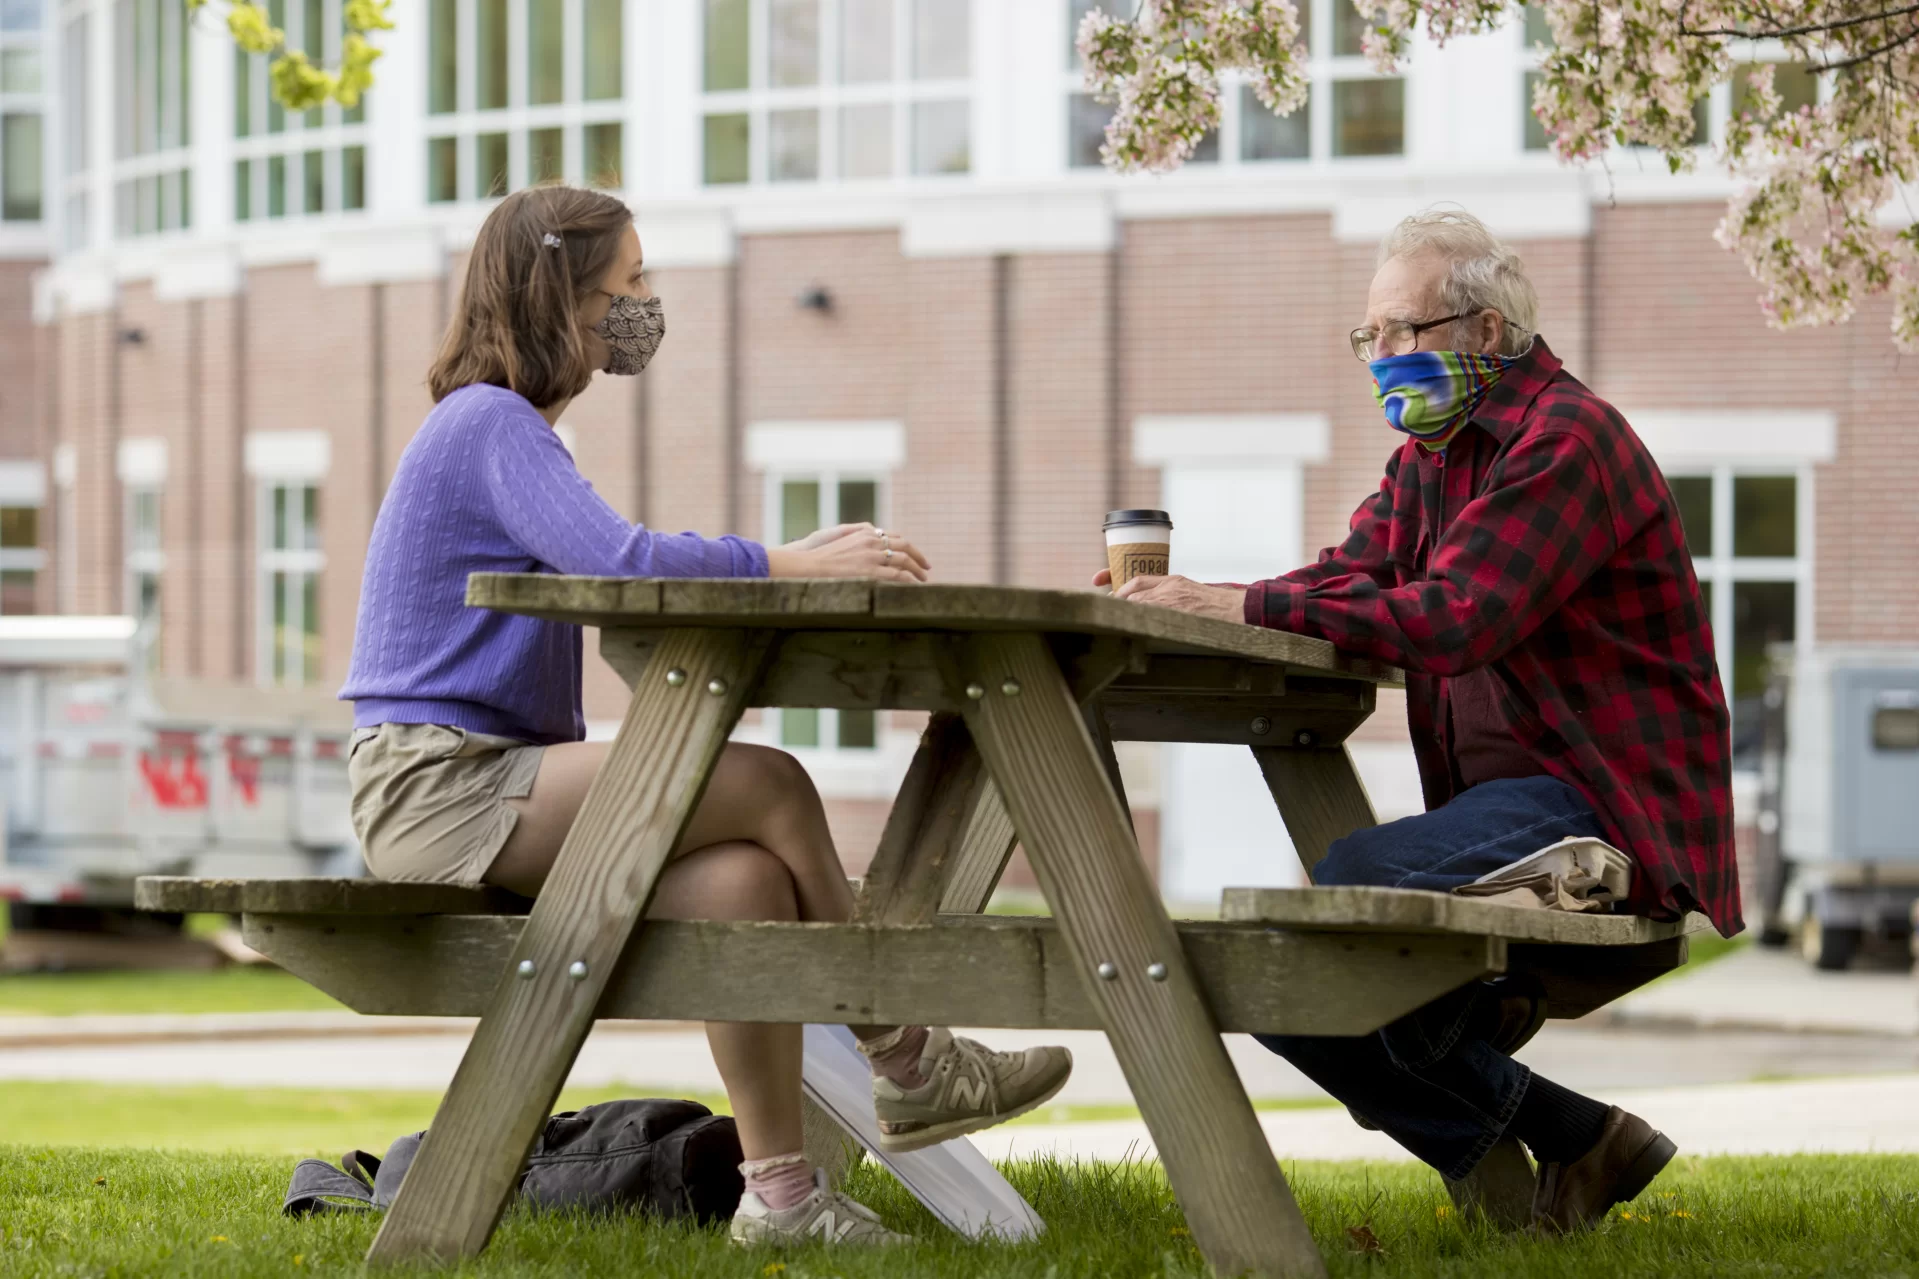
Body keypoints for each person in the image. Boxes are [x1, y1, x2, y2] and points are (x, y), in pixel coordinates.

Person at [340, 184, 1072, 1247]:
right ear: (564, 296)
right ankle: (909, 1055)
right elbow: (620, 561)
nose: (644, 303)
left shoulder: (514, 431)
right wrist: (784, 561)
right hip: (437, 786)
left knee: (746, 882)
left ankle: (781, 1197)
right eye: (628, 282)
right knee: (771, 782)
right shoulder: (487, 423)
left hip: (486, 777)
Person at [1099, 207, 1738, 1232]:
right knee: (1265, 969)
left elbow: (1456, 618)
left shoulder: (1563, 441)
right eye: (1370, 339)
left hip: (1609, 805)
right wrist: (1194, 600)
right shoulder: (1430, 461)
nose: (1383, 358)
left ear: (1482, 332)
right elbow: (1345, 578)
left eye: (1403, 331)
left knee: (1347, 891)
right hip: (1520, 804)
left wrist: (1231, 605)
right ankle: (1571, 1132)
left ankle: (1498, 1054)